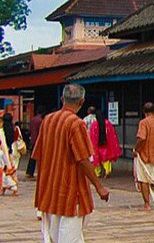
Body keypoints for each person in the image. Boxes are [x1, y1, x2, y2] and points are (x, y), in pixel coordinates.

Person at [32, 84, 111, 243]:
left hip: (50, 188)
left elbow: (38, 153)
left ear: (62, 99)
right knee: (70, 237)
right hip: (70, 190)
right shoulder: (76, 123)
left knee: (54, 235)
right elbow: (82, 158)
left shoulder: (48, 120)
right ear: (82, 102)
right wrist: (99, 186)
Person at [88, 112, 119, 178]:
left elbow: (92, 135)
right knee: (106, 158)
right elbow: (112, 134)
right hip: (106, 145)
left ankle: (97, 173)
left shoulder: (94, 124)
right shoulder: (108, 123)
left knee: (96, 159)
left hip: (96, 145)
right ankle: (107, 171)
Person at [0, 113, 19, 195]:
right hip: (13, 151)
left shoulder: (1, 131)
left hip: (3, 152)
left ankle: (12, 186)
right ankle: (5, 187)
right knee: (10, 169)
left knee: (4, 170)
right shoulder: (15, 129)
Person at [24, 106, 44, 179]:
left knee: (32, 157)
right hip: (38, 140)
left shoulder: (33, 120)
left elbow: (30, 130)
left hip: (32, 140)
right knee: (41, 158)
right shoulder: (40, 121)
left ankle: (29, 172)